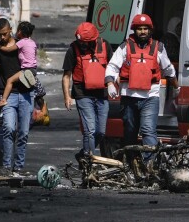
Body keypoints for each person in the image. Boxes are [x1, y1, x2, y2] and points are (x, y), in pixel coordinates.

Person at [104, 14, 178, 161]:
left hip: (150, 97)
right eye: (139, 29)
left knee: (148, 131)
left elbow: (169, 69)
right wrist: (110, 83)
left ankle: (149, 164)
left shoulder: (159, 47)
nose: (143, 32)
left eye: (145, 28)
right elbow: (112, 66)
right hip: (129, 97)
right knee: (130, 131)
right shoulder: (125, 47)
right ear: (134, 30)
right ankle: (131, 163)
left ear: (150, 30)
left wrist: (176, 88)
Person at [0, 18, 33, 175]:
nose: (3, 37)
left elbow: (31, 67)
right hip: (8, 95)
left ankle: (18, 166)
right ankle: (6, 165)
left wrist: (40, 98)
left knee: (23, 132)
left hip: (26, 93)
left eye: (5, 34)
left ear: (10, 29)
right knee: (9, 128)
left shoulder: (21, 44)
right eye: (0, 34)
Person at [62, 22, 110, 161]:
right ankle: (89, 163)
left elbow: (113, 68)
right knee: (90, 131)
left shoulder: (105, 45)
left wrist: (114, 84)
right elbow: (66, 76)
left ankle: (84, 154)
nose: (82, 44)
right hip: (82, 94)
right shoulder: (73, 49)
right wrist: (67, 97)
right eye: (80, 41)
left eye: (85, 42)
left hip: (102, 94)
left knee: (101, 132)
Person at [0, 21, 38, 108]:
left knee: (10, 80)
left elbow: (9, 50)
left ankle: (3, 100)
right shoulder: (32, 42)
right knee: (24, 78)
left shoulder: (21, 42)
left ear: (19, 32)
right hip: (33, 69)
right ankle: (28, 79)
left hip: (25, 69)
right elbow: (35, 54)